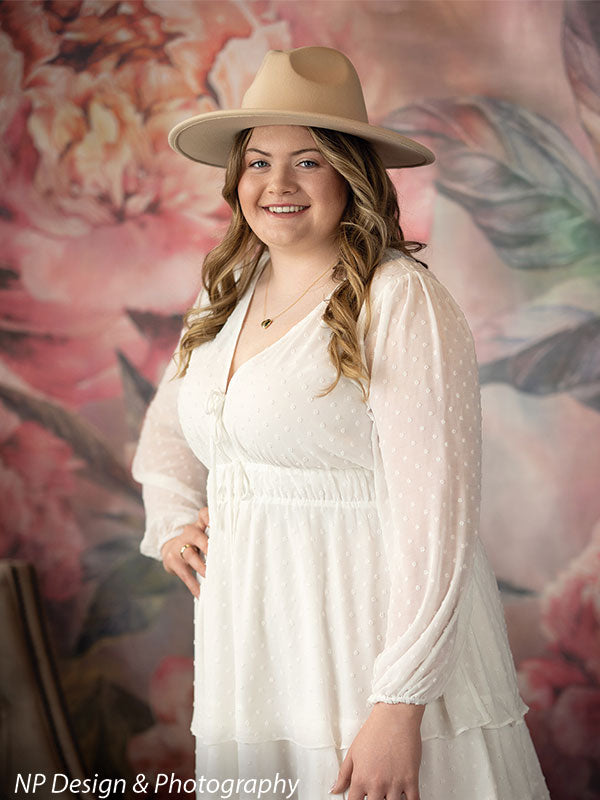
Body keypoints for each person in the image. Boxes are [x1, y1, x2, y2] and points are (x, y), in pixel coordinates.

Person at [132, 46, 550, 800]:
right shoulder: (223, 295)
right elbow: (169, 433)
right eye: (258, 162)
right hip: (255, 657)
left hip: (370, 658)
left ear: (351, 174)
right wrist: (168, 517)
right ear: (236, 179)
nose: (278, 185)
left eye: (309, 161)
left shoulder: (399, 302)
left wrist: (399, 706)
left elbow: (439, 520)